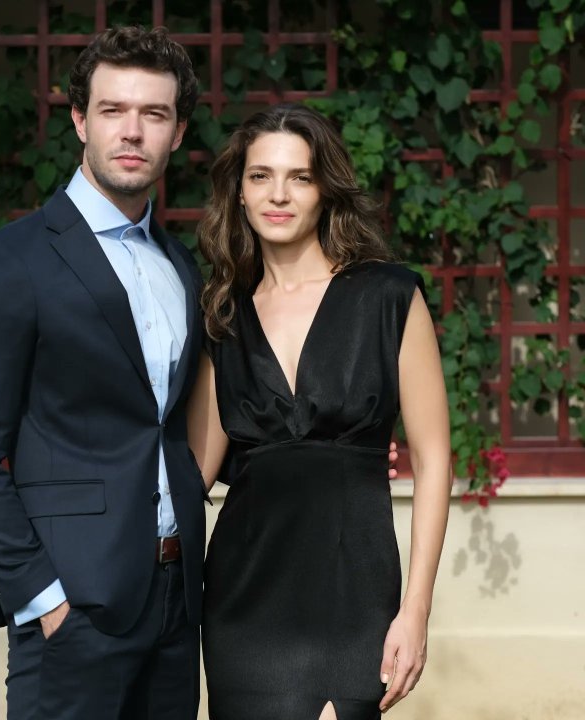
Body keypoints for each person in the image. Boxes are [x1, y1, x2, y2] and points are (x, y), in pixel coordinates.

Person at [0, 27, 208, 720]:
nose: (133, 131)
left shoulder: (180, 266)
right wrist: (44, 601)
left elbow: (173, 427)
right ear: (80, 120)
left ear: (178, 132)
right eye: (113, 110)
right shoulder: (12, 263)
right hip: (74, 611)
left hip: (176, 604)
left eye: (154, 114)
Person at [187, 104, 452, 720]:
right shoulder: (221, 314)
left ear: (325, 190)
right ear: (239, 191)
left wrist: (416, 610)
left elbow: (435, 459)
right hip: (244, 597)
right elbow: (193, 472)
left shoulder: (389, 296)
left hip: (354, 588)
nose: (278, 194)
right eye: (260, 176)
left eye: (299, 177)